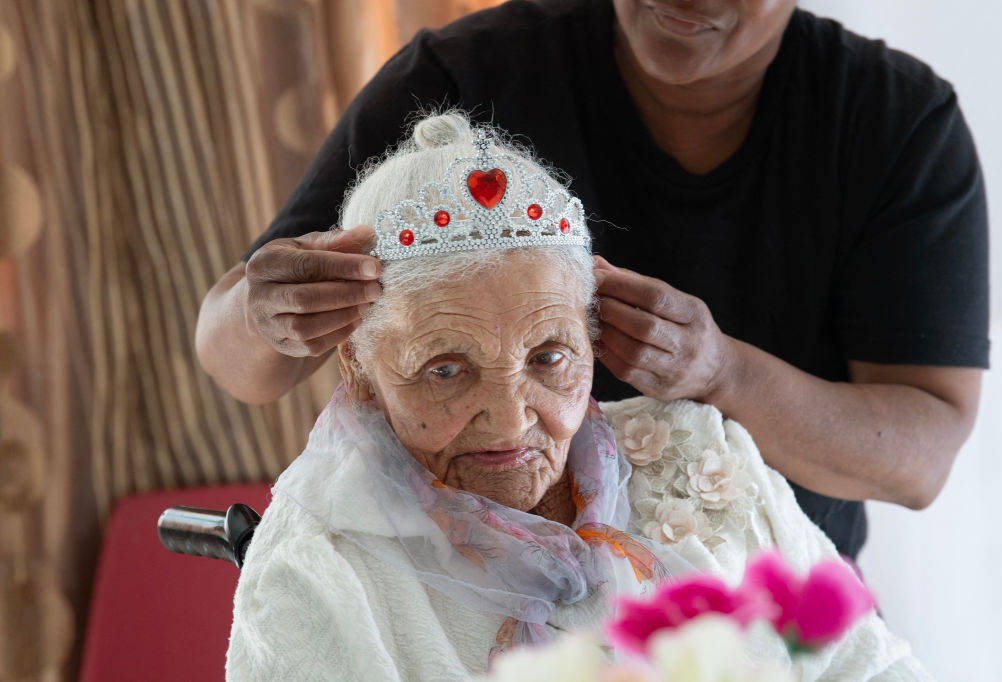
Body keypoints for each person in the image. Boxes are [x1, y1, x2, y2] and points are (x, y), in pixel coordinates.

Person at [196, 0, 989, 561]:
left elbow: (918, 461)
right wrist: (268, 316)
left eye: (546, 356)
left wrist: (723, 373)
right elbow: (234, 349)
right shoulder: (459, 75)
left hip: (757, 614)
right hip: (455, 591)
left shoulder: (897, 125)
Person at [225, 113, 929, 681]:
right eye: (445, 370)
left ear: (593, 340)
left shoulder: (699, 457)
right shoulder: (320, 572)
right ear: (358, 367)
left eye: (549, 357)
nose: (511, 417)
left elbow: (870, 665)